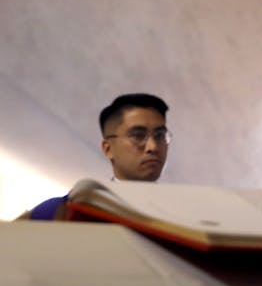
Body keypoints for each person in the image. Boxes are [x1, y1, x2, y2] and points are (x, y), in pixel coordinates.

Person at [17, 93, 171, 221]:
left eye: (160, 135)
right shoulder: (61, 212)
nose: (153, 147)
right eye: (138, 135)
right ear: (108, 148)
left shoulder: (184, 215)